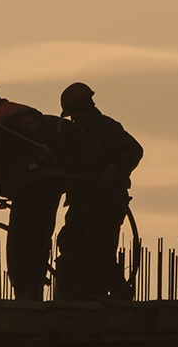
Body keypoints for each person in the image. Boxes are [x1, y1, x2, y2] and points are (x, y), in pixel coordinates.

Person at [0, 80, 70, 301]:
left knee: (19, 244)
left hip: (30, 184)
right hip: (53, 181)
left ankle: (23, 298)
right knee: (40, 240)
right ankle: (34, 293)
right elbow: (66, 133)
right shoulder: (29, 112)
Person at [54, 83, 144, 301]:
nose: (73, 119)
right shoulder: (78, 134)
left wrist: (113, 172)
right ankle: (84, 296)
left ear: (83, 108)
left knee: (98, 252)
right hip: (84, 201)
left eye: (74, 114)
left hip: (107, 203)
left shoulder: (107, 128)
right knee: (70, 243)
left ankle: (120, 298)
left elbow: (135, 150)